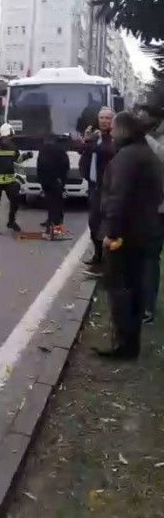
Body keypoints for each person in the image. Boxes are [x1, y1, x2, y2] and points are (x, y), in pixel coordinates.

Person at [96, 111, 164, 360]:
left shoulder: (127, 157)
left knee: (120, 290)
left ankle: (123, 347)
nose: (110, 133)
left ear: (122, 129)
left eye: (112, 129)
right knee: (134, 289)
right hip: (144, 230)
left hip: (125, 235)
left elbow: (118, 199)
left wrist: (110, 233)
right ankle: (129, 345)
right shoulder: (146, 153)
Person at [80, 107, 117, 275]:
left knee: (106, 225)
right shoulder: (96, 137)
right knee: (93, 223)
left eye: (107, 118)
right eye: (101, 118)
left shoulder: (114, 139)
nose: (104, 121)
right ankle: (97, 256)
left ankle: (106, 263)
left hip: (108, 188)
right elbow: (85, 154)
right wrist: (87, 142)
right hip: (94, 186)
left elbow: (108, 153)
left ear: (113, 120)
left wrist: (91, 143)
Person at [137, 105, 164, 323]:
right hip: (148, 209)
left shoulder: (155, 143)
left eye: (141, 117)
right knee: (145, 257)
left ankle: (147, 309)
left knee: (148, 258)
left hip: (157, 210)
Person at [0, 123, 23, 235]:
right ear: (9, 133)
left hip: (1, 179)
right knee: (12, 201)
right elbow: (19, 160)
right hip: (4, 180)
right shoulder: (12, 145)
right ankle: (7, 223)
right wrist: (27, 156)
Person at [37, 133, 72, 239]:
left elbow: (40, 165)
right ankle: (55, 227)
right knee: (56, 205)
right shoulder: (59, 150)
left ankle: (54, 231)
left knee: (53, 206)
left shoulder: (44, 150)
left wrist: (41, 180)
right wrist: (62, 179)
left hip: (49, 181)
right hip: (56, 181)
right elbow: (66, 165)